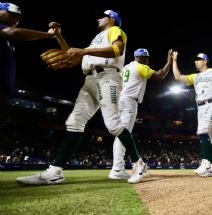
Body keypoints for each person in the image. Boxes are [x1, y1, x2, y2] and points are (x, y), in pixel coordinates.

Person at [16, 10, 147, 185]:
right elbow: (73, 56)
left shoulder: (114, 31)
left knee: (113, 124)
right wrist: (59, 36)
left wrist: (84, 50)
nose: (98, 18)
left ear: (111, 19)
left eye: (102, 16)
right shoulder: (96, 39)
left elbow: (117, 49)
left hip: (107, 77)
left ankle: (138, 163)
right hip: (90, 80)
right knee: (74, 122)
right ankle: (55, 171)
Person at [109, 48, 173, 179]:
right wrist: (169, 62)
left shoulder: (126, 67)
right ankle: (118, 168)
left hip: (120, 101)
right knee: (124, 134)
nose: (148, 61)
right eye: (147, 58)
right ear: (141, 58)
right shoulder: (140, 67)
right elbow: (160, 75)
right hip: (129, 102)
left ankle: (117, 168)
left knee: (121, 134)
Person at [172, 52, 212, 177]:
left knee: (202, 131)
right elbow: (178, 77)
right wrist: (174, 61)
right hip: (200, 107)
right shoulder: (194, 76)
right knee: (207, 136)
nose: (196, 61)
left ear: (205, 61)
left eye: (199, 59)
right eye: (195, 60)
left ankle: (205, 162)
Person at [1, 2, 55, 97]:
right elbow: (13, 33)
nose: (16, 19)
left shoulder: (6, 35)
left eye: (17, 16)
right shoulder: (6, 31)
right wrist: (48, 35)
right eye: (12, 14)